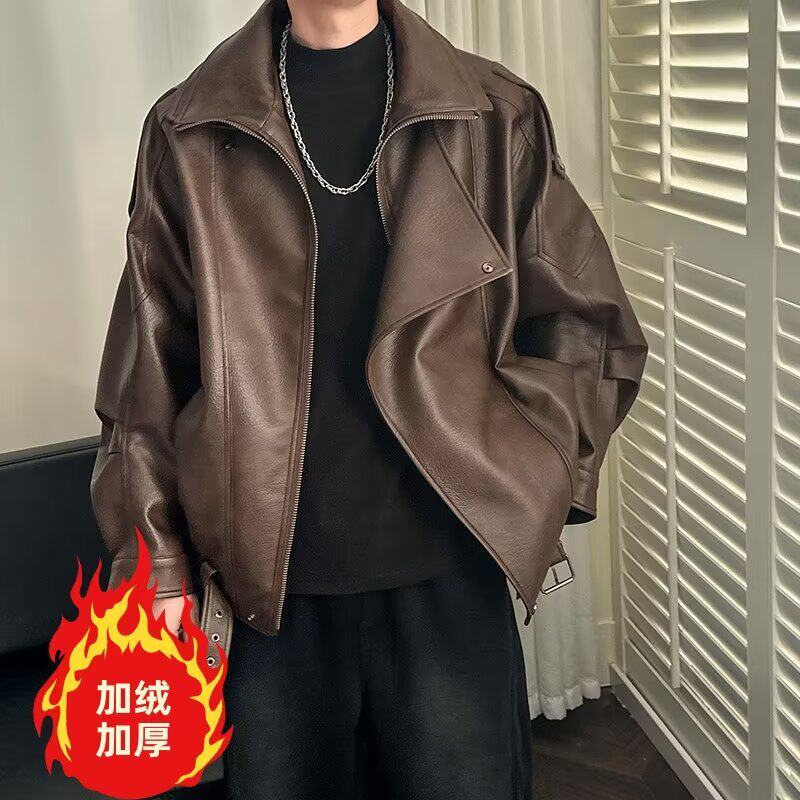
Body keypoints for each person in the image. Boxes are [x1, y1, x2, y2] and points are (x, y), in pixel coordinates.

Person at [91, 0, 648, 797]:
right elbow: (144, 377)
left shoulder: (494, 114)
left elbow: (590, 330)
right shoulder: (188, 129)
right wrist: (158, 567)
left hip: (449, 571)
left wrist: (531, 472)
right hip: (266, 596)